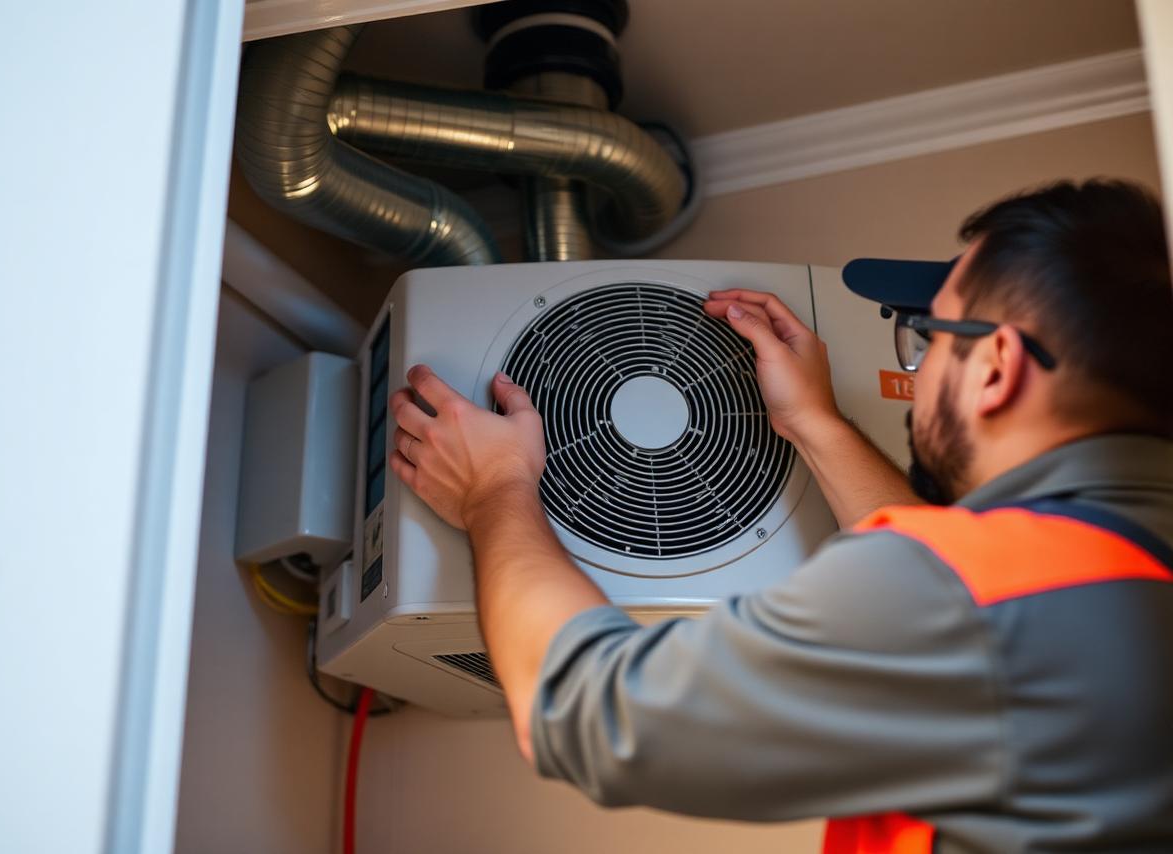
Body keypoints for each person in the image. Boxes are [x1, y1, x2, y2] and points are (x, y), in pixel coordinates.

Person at [386, 179, 1173, 852]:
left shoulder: (985, 598)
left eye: (927, 335)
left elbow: (588, 713)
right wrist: (815, 425)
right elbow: (974, 613)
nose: (918, 365)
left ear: (995, 368)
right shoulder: (1117, 576)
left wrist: (496, 490)